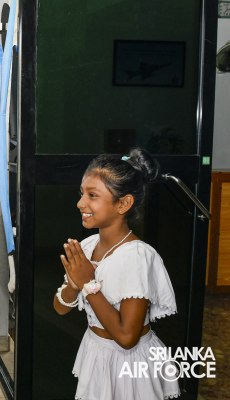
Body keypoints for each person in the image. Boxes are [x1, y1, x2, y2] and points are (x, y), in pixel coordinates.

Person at [53, 148, 180, 400]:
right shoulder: (87, 246)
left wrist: (88, 283)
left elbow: (126, 337)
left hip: (129, 364)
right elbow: (60, 308)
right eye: (81, 193)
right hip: (97, 353)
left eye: (92, 195)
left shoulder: (137, 257)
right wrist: (73, 285)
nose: (81, 203)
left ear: (123, 203)